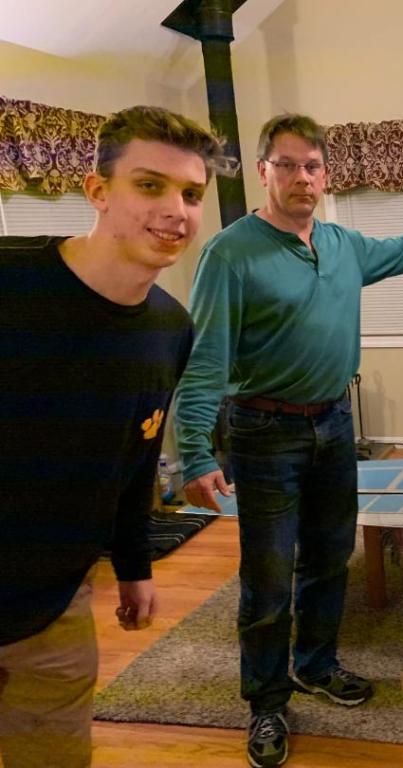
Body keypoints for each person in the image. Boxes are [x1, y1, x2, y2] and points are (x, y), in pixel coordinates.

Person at [173, 112, 403, 768]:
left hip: (335, 425)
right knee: (269, 576)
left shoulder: (342, 245)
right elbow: (206, 358)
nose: (301, 177)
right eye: (287, 165)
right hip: (263, 433)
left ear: (326, 174)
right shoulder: (230, 253)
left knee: (330, 558)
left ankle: (315, 664)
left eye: (312, 166)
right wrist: (192, 451)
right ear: (264, 171)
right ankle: (266, 700)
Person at [0, 106, 227, 767]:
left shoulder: (169, 329)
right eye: (150, 185)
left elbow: (137, 456)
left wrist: (133, 566)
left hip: (53, 604)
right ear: (98, 191)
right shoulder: (12, 282)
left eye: (191, 194)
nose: (176, 210)